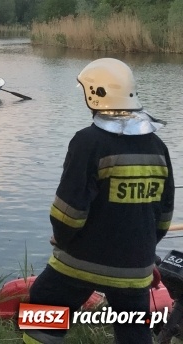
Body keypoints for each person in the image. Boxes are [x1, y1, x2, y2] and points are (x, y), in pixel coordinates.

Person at [21, 58, 174, 344]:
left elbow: (68, 214)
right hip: (136, 268)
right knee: (133, 328)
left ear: (96, 94)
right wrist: (143, 250)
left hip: (83, 260)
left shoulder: (88, 142)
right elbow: (164, 216)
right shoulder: (158, 147)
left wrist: (63, 239)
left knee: (42, 304)